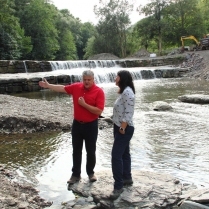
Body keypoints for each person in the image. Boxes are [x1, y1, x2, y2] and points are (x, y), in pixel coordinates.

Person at [39, 70, 105, 184]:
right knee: (76, 150)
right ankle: (75, 175)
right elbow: (62, 88)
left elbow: (99, 111)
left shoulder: (99, 92)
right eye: (85, 80)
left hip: (91, 125)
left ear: (93, 79)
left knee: (91, 151)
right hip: (77, 124)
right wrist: (48, 86)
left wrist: (84, 105)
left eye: (89, 80)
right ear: (82, 79)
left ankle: (90, 173)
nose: (86, 82)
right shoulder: (76, 87)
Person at [110, 70, 135, 200]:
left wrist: (122, 128)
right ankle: (127, 178)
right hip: (120, 126)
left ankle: (118, 186)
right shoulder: (124, 91)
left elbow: (129, 113)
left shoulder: (128, 93)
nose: (115, 78)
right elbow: (122, 110)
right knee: (125, 153)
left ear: (122, 78)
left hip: (124, 128)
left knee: (115, 156)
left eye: (117, 76)